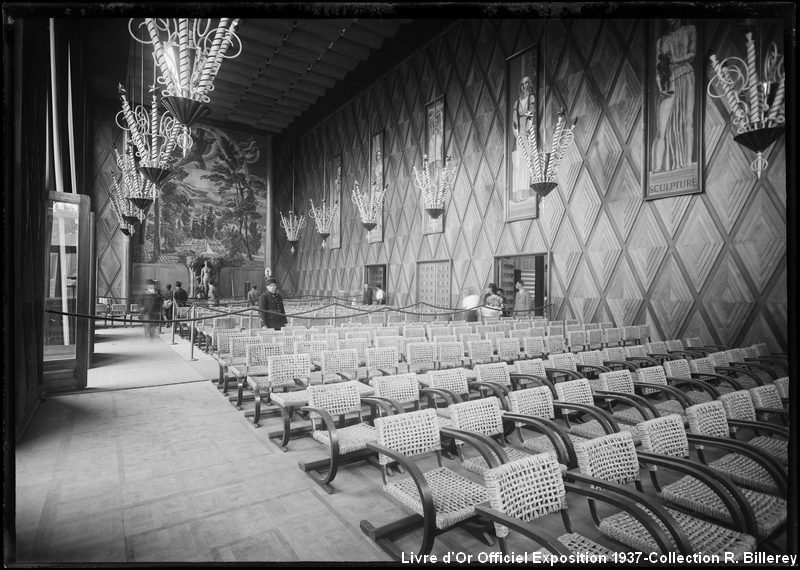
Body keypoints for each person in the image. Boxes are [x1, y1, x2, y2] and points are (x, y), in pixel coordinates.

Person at [651, 19, 697, 173]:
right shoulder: (660, 41)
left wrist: (672, 59)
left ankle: (688, 162)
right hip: (667, 80)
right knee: (661, 128)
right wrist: (660, 85)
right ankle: (657, 168)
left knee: (687, 120)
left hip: (685, 74)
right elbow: (658, 67)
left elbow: (692, 53)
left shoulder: (690, 29)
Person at [511, 73, 536, 202]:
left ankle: (525, 192)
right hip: (519, 134)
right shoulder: (516, 102)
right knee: (517, 164)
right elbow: (514, 118)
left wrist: (528, 128)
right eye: (522, 84)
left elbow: (531, 114)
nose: (524, 86)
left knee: (526, 162)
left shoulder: (531, 99)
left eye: (526, 83)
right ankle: (517, 193)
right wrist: (515, 130)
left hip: (527, 132)